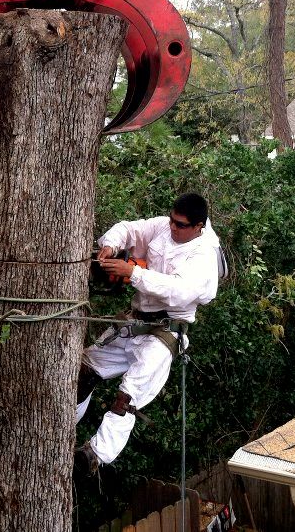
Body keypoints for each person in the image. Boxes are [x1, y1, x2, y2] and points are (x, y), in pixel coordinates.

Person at [74, 192, 226, 475]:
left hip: (164, 334)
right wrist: (110, 245)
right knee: (84, 369)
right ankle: (61, 425)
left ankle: (95, 455)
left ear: (198, 227)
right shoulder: (163, 228)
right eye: (172, 220)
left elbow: (177, 292)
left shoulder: (203, 256)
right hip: (135, 323)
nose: (173, 227)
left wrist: (132, 273)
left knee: (127, 397)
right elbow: (131, 228)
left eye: (180, 225)